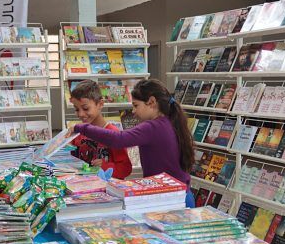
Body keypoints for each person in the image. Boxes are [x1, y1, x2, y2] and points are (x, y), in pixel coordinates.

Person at [68, 79, 195, 207]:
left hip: (173, 198)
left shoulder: (153, 127)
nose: (133, 111)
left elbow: (119, 139)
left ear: (151, 102)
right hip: (174, 193)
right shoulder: (168, 122)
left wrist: (82, 128)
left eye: (136, 105)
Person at [69, 80, 132, 179]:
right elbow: (71, 160)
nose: (80, 114)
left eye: (85, 108)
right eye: (77, 109)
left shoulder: (113, 134)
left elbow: (125, 168)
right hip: (83, 188)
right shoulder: (77, 133)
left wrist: (105, 166)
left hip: (106, 190)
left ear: (100, 104)